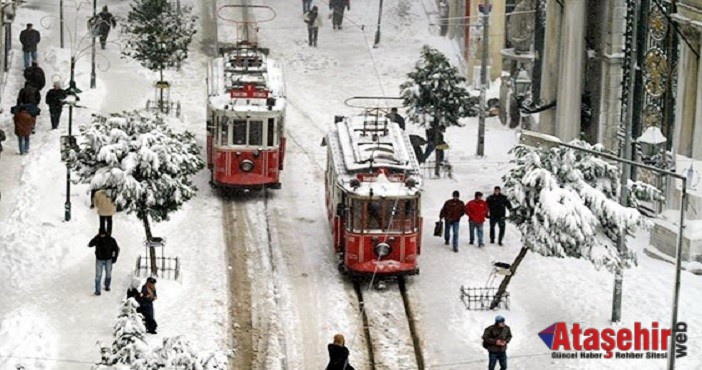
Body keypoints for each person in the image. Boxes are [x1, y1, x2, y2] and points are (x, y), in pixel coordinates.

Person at [88, 229, 120, 296]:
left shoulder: (111, 240)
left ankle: (107, 285)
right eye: (100, 234)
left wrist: (114, 258)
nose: (102, 235)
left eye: (103, 234)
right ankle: (97, 291)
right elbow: (90, 244)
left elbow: (116, 249)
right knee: (98, 275)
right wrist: (95, 238)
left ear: (105, 234)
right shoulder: (97, 239)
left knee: (108, 274)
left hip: (108, 259)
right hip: (99, 260)